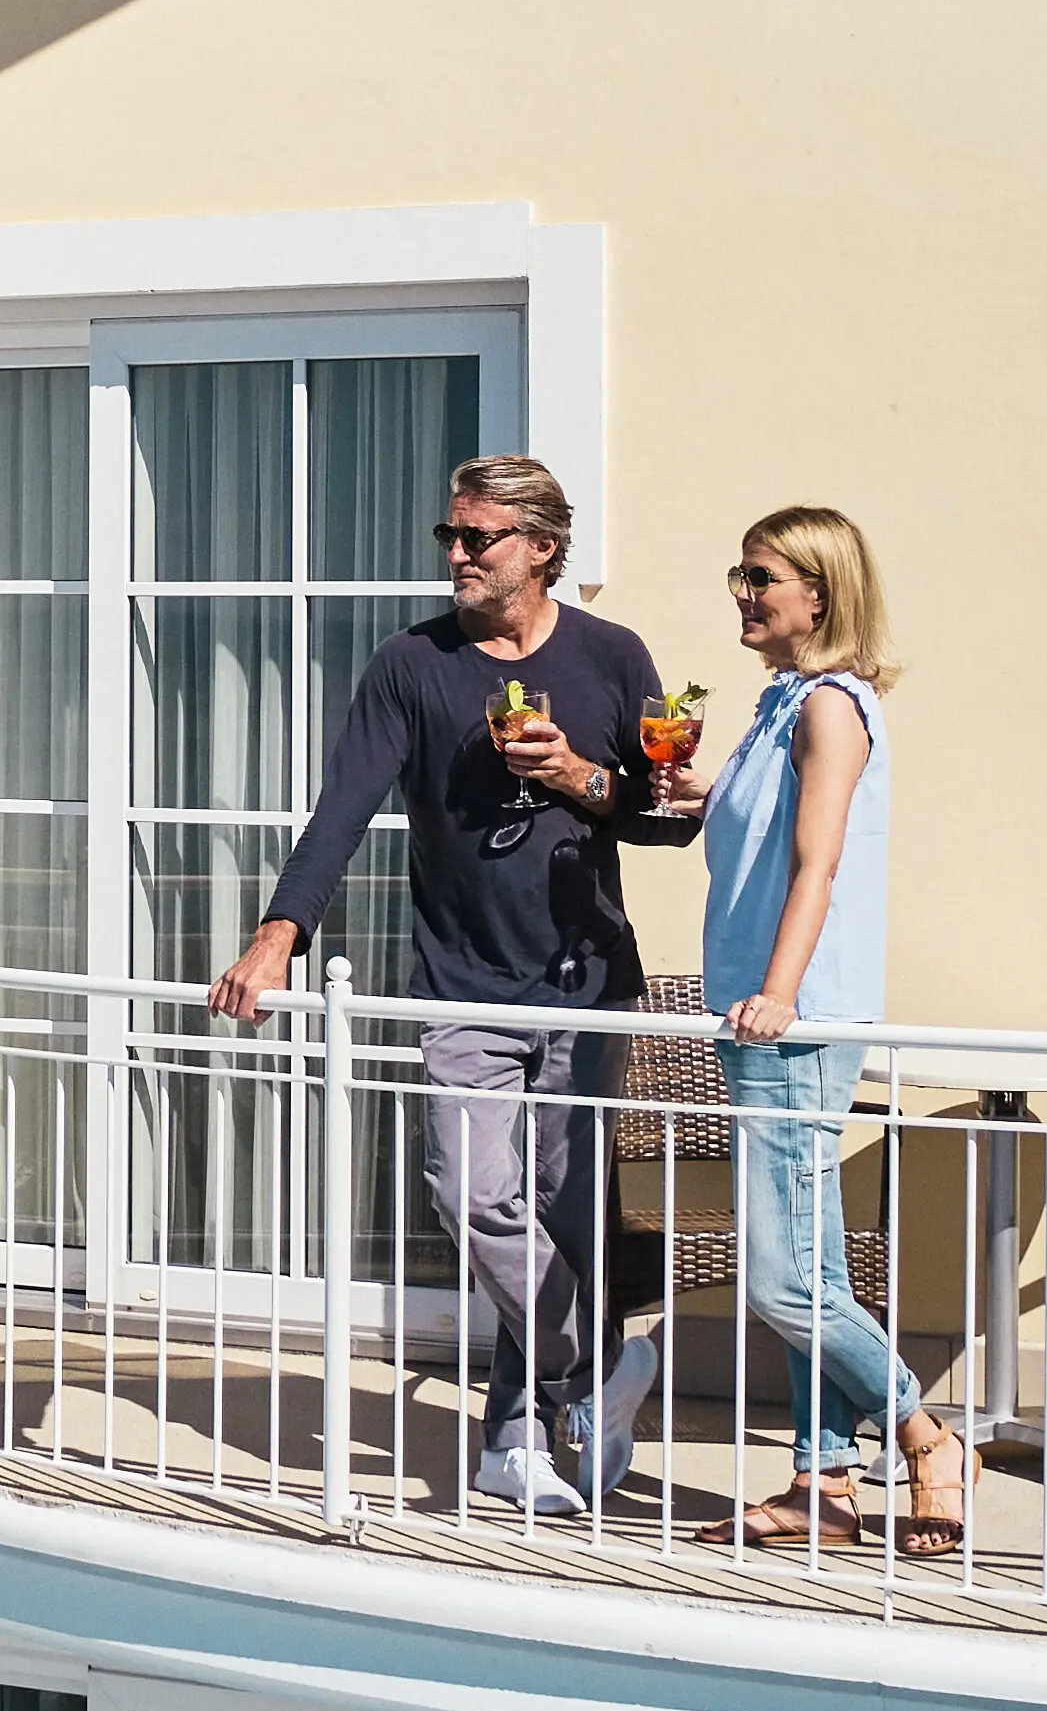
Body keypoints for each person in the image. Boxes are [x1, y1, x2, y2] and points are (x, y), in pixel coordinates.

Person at [208, 453, 693, 1519]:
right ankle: (591, 1376)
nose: (456, 554)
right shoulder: (412, 665)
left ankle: (518, 1432)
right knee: (471, 1196)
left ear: (542, 549)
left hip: (587, 980)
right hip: (463, 980)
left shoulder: (613, 657)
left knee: (568, 1215)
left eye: (477, 537)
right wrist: (277, 934)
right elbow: (341, 805)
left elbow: (666, 815)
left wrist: (575, 775)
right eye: (450, 536)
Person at [646, 506, 965, 1556]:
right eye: (736, 573)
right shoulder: (777, 703)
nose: (741, 591)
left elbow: (817, 862)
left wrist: (780, 992)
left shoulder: (831, 703)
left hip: (790, 1016)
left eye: (760, 576)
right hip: (761, 1008)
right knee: (812, 1272)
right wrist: (706, 788)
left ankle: (925, 1433)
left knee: (783, 1279)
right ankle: (819, 1483)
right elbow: (765, 825)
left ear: (817, 594)